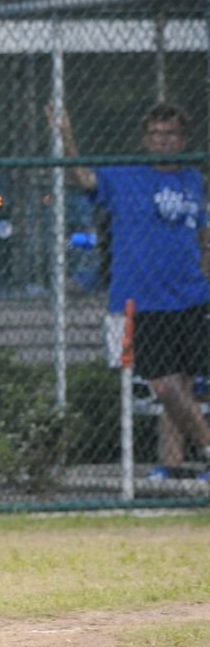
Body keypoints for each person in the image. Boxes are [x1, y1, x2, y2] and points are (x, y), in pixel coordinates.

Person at [53, 101, 210, 480]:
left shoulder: (193, 180)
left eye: (169, 133)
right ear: (145, 139)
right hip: (142, 301)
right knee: (166, 385)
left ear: (182, 138)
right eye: (154, 134)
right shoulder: (125, 177)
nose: (161, 140)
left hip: (190, 297)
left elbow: (204, 236)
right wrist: (67, 139)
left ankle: (169, 465)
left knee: (184, 383)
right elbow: (82, 178)